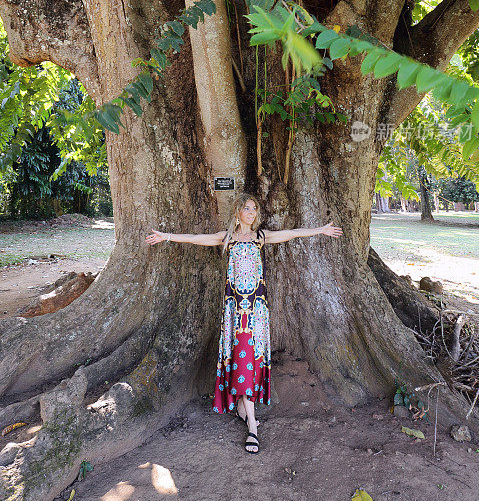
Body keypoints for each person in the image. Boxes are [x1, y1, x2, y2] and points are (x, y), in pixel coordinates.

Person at [145, 193, 343, 454]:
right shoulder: (227, 238)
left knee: (250, 354)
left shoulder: (261, 237)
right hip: (234, 309)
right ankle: (248, 417)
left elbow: (292, 233)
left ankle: (250, 422)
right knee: (240, 355)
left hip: (256, 310)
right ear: (238, 212)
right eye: (246, 208)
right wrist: (166, 236)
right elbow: (195, 239)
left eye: (254, 209)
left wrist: (321, 230)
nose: (251, 212)